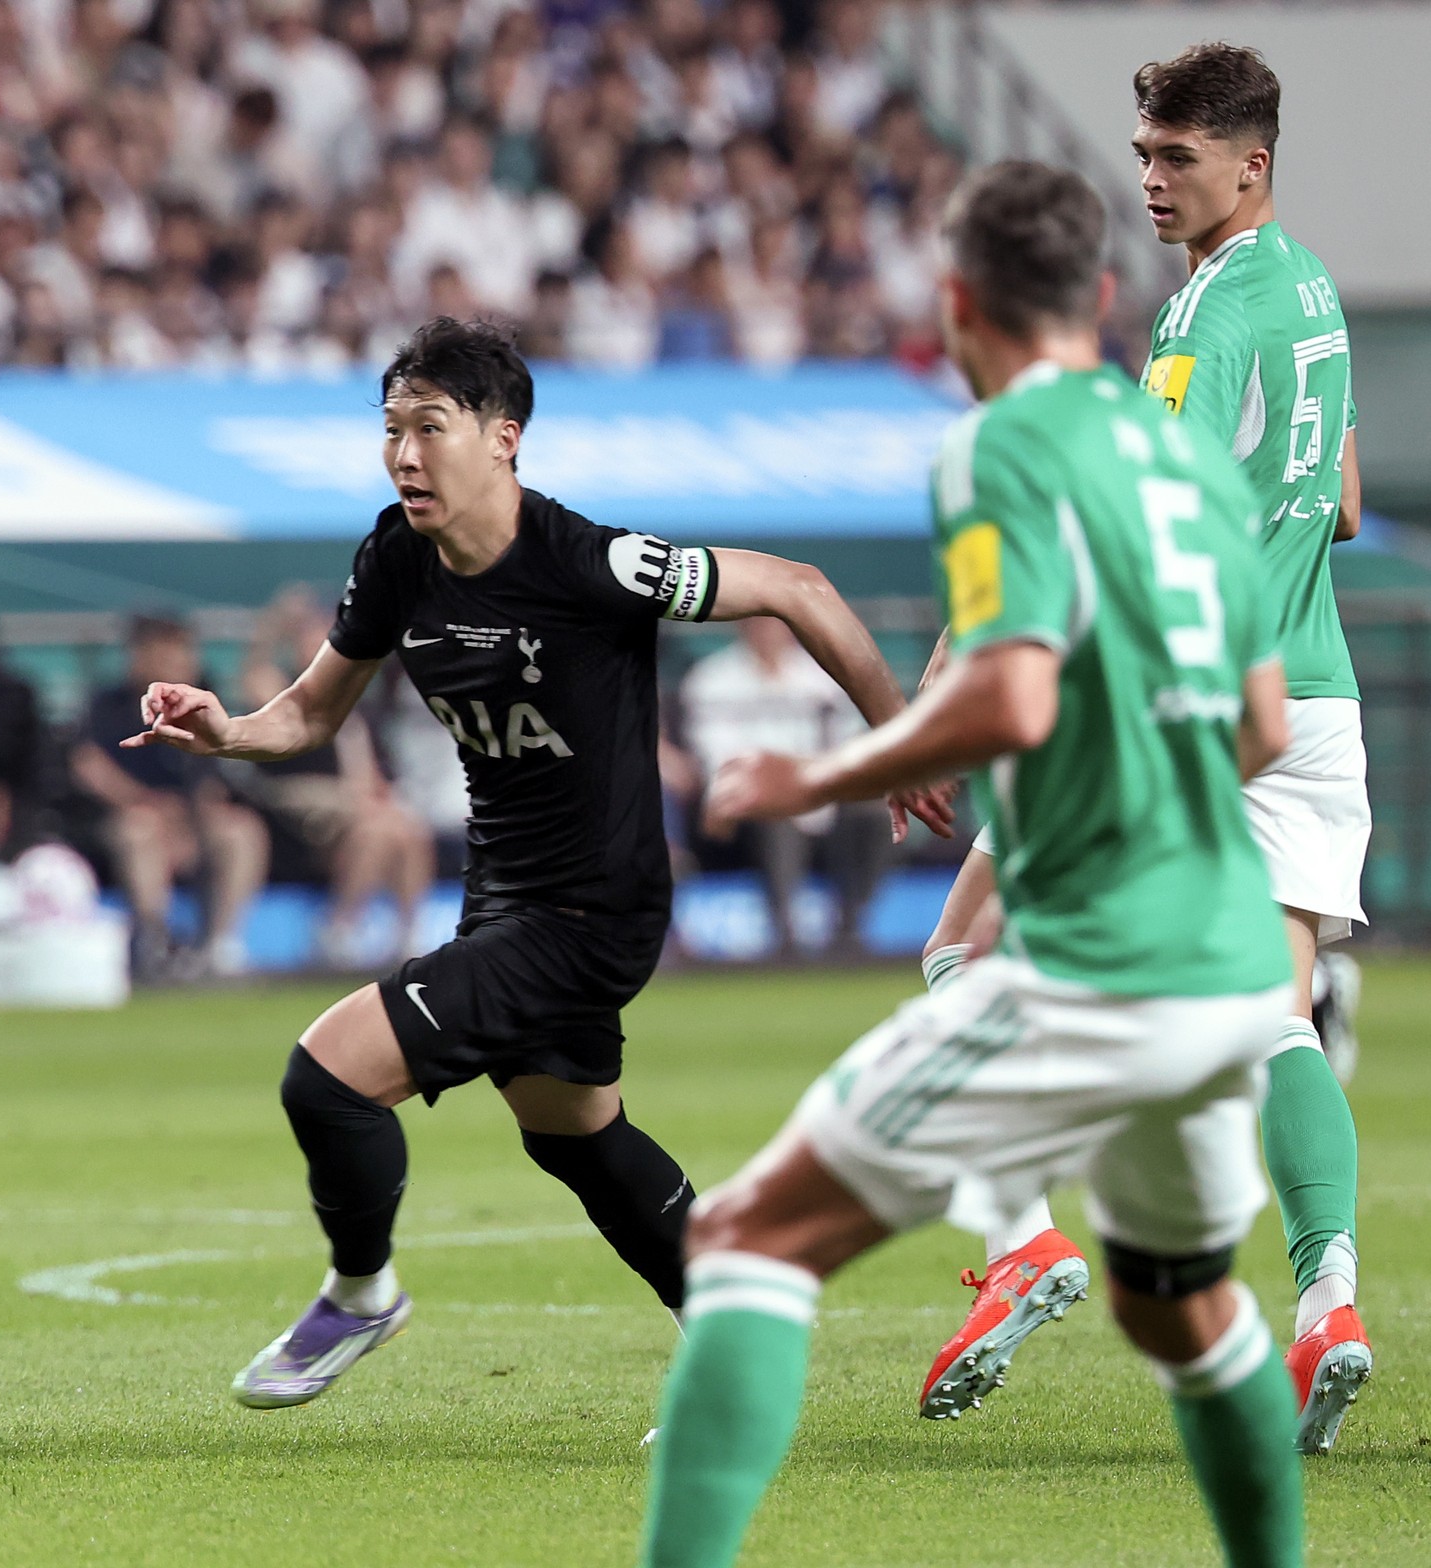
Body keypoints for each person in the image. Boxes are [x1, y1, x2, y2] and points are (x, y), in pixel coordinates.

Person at [640, 161, 1305, 1568]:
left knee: (747, 1240)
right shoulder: (1184, 454)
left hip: (1096, 966)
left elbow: (1003, 698)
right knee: (1179, 1309)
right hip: (1229, 959)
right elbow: (1256, 725)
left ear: (953, 307)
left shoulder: (996, 448)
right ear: (1105, 296)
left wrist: (817, 772)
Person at [127, 317, 951, 1410]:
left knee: (325, 1076)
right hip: (503, 900)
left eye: (430, 427)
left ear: (502, 437)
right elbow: (311, 713)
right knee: (575, 1132)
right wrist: (225, 728)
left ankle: (361, 1291)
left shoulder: (592, 562)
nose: (405, 454)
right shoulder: (393, 556)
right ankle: (740, 1335)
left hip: (591, 911)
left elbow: (797, 585)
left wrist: (897, 742)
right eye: (390, 430)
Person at [917, 44, 1373, 1455]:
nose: (1148, 178)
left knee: (958, 956)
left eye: (1175, 157)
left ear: (1251, 162)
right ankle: (1329, 1306)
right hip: (1312, 706)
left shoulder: (1202, 319)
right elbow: (1343, 504)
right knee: (1271, 1023)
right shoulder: (1311, 294)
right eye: (1142, 153)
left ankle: (1018, 1247)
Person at [240, 585, 434, 969]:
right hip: (293, 801)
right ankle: (339, 925)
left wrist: (375, 793)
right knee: (376, 826)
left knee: (405, 829)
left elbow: (366, 769)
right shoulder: (282, 690)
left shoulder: (351, 701)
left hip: (349, 807)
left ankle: (408, 932)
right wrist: (274, 622)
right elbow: (254, 672)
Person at [74, 613, 269, 979]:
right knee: (140, 829)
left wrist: (193, 820)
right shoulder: (108, 705)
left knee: (242, 831)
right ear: (140, 656)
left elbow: (214, 778)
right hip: (134, 820)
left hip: (191, 824)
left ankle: (221, 944)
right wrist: (144, 801)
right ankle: (156, 941)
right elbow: (89, 765)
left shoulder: (203, 705)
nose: (181, 663)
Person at [681, 615, 886, 956]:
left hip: (822, 792)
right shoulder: (712, 679)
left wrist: (811, 783)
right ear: (742, 628)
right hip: (745, 804)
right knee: (774, 811)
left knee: (876, 815)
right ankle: (785, 936)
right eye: (759, 625)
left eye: (776, 625)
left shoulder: (821, 678)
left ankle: (849, 928)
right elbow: (717, 758)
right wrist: (781, 785)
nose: (769, 634)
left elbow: (848, 746)